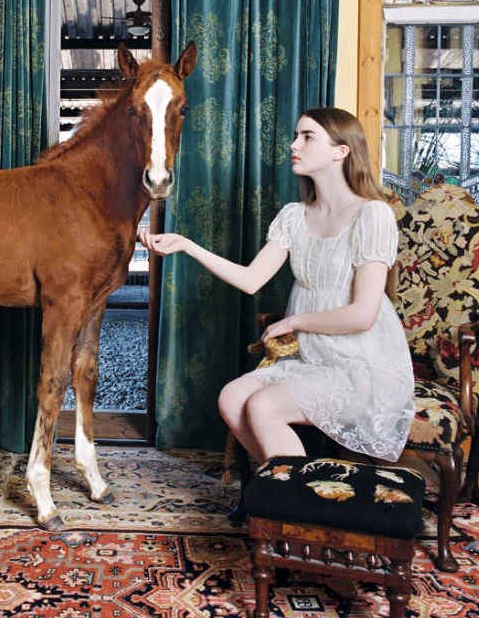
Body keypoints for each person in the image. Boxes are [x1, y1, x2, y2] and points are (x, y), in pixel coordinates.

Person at [138, 107, 414, 467]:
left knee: (263, 404)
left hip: (360, 368)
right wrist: (187, 246)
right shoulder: (294, 217)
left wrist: (293, 322)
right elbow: (251, 280)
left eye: (307, 137)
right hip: (309, 362)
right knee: (232, 397)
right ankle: (293, 490)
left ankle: (299, 502)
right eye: (296, 135)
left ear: (340, 151)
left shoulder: (372, 215)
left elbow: (363, 315)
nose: (293, 144)